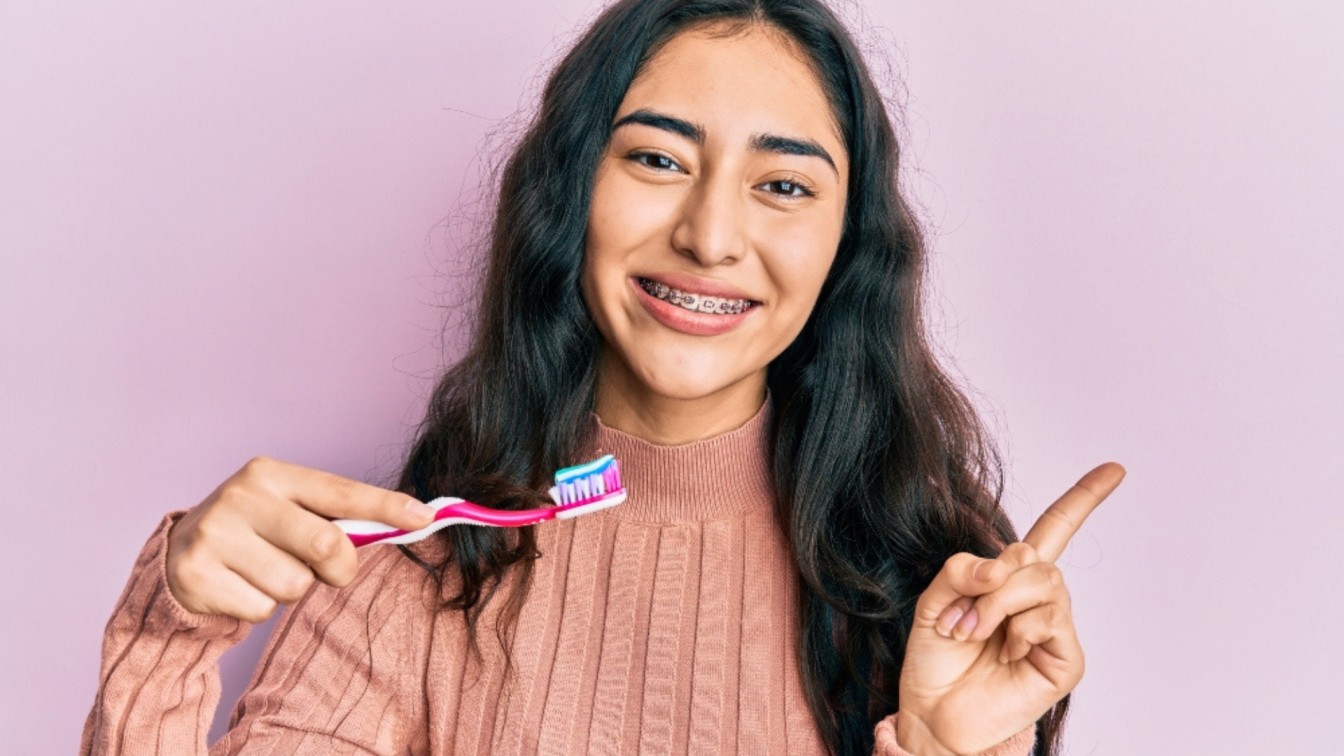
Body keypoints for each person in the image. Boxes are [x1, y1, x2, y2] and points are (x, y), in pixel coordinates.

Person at [83, 0, 1123, 754]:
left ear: (847, 245)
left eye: (783, 184)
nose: (711, 235)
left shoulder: (931, 586)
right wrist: (170, 627)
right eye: (658, 160)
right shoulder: (410, 574)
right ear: (570, 195)